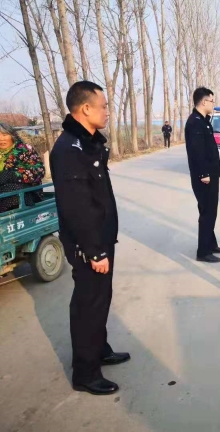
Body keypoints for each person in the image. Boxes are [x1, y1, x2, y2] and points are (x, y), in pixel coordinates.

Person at [50, 81, 129, 396]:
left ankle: (99, 349)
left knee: (101, 298)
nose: (107, 111)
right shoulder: (69, 149)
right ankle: (85, 372)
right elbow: (77, 208)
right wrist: (94, 252)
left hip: (101, 237)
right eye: (104, 106)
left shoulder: (88, 143)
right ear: (85, 108)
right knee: (88, 304)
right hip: (89, 244)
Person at [184, 87, 220, 263]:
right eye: (212, 101)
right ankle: (203, 251)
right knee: (207, 212)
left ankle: (210, 243)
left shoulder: (203, 121)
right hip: (204, 176)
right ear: (203, 102)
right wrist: (204, 173)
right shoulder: (195, 122)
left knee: (209, 210)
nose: (213, 104)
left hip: (210, 173)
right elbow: (197, 151)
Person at [0, 123, 45, 212]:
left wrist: (13, 175)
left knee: (11, 189)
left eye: (4, 135)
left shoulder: (24, 149)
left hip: (28, 192)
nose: (1, 139)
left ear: (12, 136)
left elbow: (39, 171)